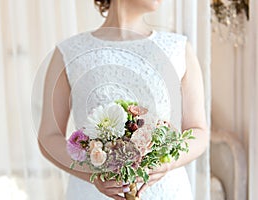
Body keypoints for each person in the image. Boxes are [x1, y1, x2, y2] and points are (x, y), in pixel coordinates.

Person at [37, 0, 209, 199]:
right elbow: (49, 136)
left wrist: (168, 162)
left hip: (166, 191)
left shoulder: (178, 48)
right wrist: (92, 173)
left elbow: (199, 131)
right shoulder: (69, 52)